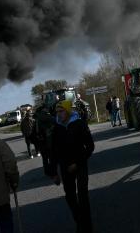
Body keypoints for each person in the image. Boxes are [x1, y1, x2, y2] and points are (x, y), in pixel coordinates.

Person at [47, 100, 95, 233]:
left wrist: (77, 163)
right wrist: (54, 173)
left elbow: (90, 146)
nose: (59, 114)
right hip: (65, 167)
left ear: (68, 111)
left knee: (83, 193)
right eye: (57, 112)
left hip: (80, 164)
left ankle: (87, 227)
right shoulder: (56, 128)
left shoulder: (79, 124)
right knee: (70, 196)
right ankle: (80, 222)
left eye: (61, 111)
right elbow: (53, 151)